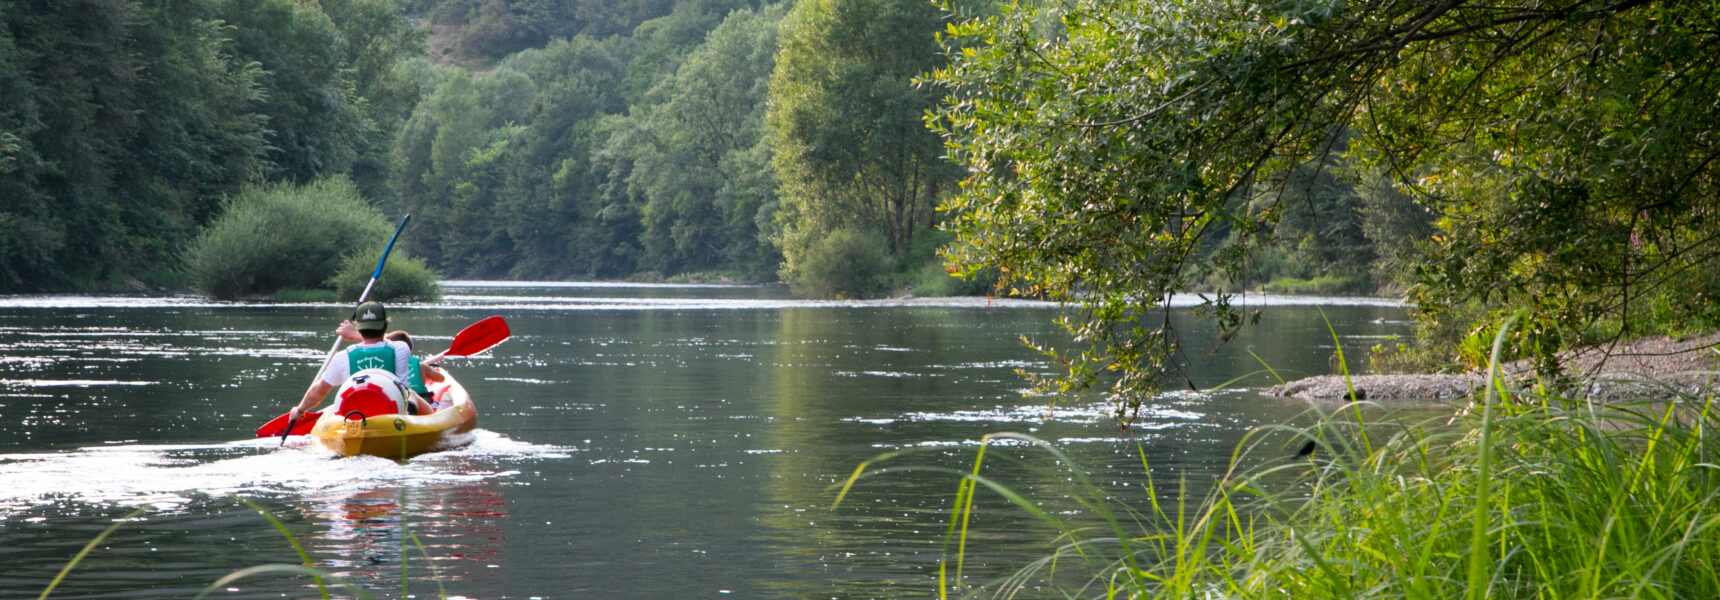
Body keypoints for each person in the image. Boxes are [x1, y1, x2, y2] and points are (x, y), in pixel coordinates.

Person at [288, 301, 432, 424]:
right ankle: (422, 422)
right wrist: (356, 336)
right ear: (386, 328)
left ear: (359, 328)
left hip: (353, 419)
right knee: (411, 393)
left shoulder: (342, 357)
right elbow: (386, 342)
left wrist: (299, 409)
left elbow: (318, 391)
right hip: (392, 416)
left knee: (335, 407)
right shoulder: (401, 348)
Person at [384, 330, 448, 408]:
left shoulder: (388, 366)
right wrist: (429, 370)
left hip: (398, 405)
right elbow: (441, 379)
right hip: (423, 405)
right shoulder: (421, 366)